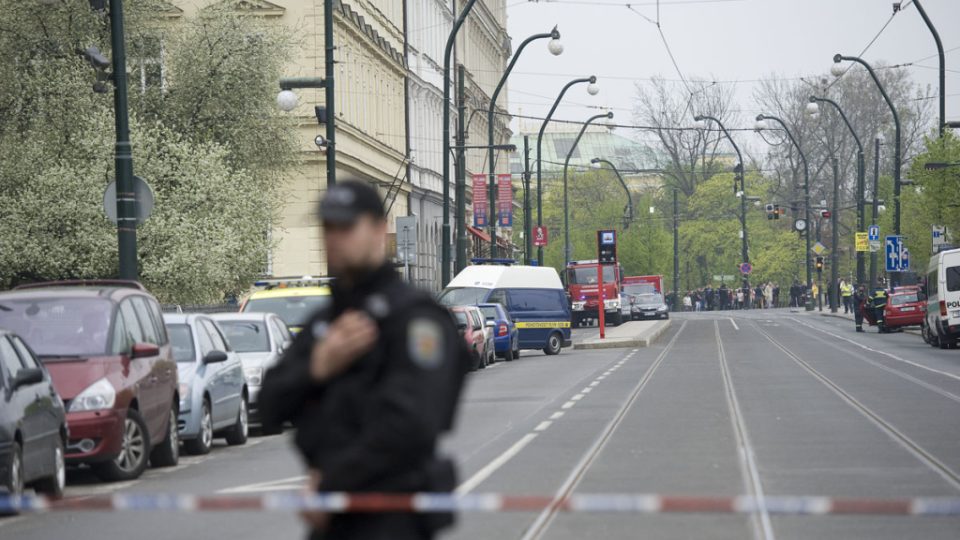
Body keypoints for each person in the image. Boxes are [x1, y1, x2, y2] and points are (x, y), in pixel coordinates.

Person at [258, 181, 469, 540]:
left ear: (378, 230)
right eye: (327, 228)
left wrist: (330, 484)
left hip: (393, 516)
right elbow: (268, 406)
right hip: (333, 520)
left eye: (346, 227)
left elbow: (410, 425)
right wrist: (316, 367)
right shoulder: (328, 321)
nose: (335, 239)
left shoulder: (416, 320)